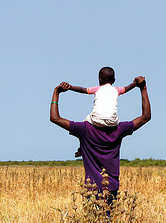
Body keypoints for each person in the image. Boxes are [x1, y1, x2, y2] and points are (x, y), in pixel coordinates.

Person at [50, 75, 151, 203]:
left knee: (94, 222)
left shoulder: (84, 129)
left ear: (99, 80)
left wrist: (56, 92)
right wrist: (143, 88)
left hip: (92, 188)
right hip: (112, 187)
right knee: (110, 222)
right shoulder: (119, 129)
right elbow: (145, 117)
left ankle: (82, 147)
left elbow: (55, 118)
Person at [62, 66, 138, 158]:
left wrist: (70, 87)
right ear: (114, 80)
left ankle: (82, 147)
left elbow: (82, 90)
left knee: (83, 124)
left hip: (96, 120)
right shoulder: (117, 90)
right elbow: (128, 87)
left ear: (100, 80)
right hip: (112, 121)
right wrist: (135, 83)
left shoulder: (97, 89)